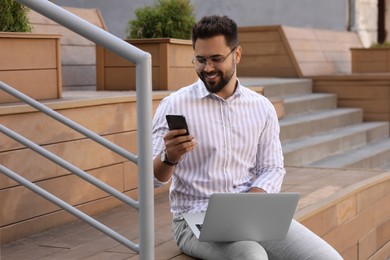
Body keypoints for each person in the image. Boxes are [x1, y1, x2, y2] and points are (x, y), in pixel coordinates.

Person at [152, 15, 343, 260]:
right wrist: (170, 157)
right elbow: (151, 180)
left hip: (251, 215)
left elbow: (272, 168)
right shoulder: (174, 104)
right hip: (194, 219)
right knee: (251, 256)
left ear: (237, 54)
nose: (208, 68)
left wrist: (254, 199)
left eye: (216, 59)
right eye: (200, 59)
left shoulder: (261, 107)